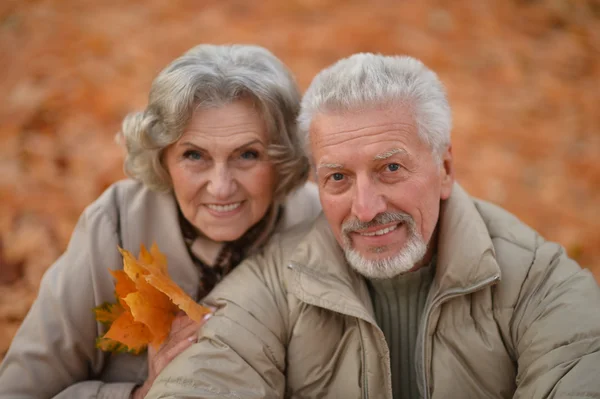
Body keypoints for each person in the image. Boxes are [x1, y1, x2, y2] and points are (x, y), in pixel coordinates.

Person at [145, 53, 600, 399]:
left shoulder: (538, 281)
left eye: (391, 169)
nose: (365, 209)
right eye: (338, 178)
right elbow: (203, 379)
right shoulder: (273, 280)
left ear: (443, 168)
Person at [0, 44, 322, 399]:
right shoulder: (117, 222)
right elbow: (20, 391)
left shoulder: (315, 225)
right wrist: (140, 394)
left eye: (248, 155)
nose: (221, 186)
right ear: (162, 158)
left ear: (282, 157)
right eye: (194, 155)